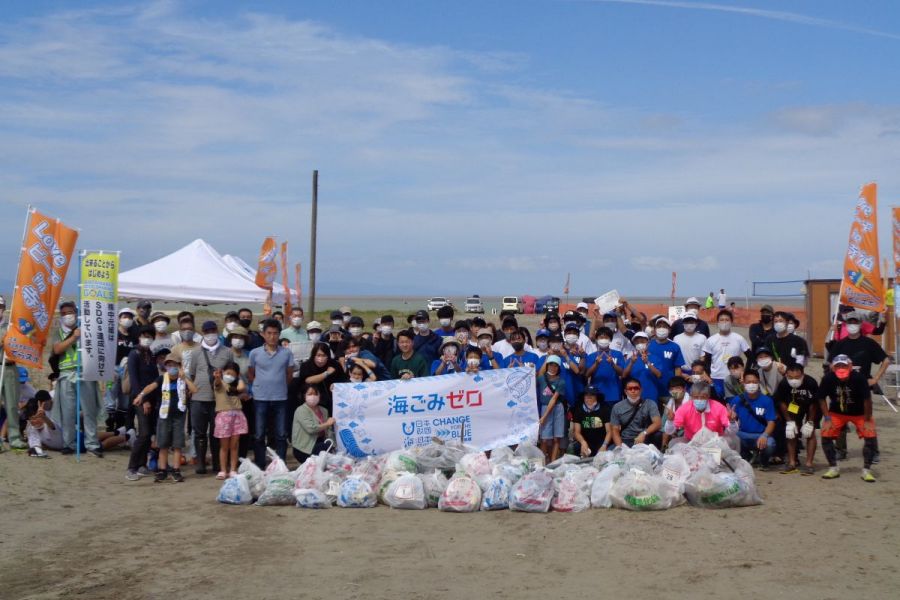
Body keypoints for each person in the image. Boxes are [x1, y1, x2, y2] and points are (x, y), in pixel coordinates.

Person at [135, 353, 196, 482]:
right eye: (168, 365)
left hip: (179, 416)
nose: (171, 367)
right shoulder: (162, 378)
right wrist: (141, 395)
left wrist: (184, 378)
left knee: (178, 444)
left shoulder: (183, 379)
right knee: (163, 444)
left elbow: (194, 389)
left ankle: (176, 470)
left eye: (174, 365)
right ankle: (162, 470)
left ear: (179, 366)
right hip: (164, 415)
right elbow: (151, 387)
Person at [51, 301, 102, 457]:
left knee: (89, 410)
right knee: (68, 412)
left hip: (85, 372)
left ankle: (92, 443)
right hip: (67, 374)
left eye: (70, 312)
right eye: (65, 313)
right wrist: (73, 337)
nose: (68, 316)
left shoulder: (85, 329)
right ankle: (68, 443)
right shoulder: (58, 332)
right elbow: (57, 349)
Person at [817, 354, 878, 482]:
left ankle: (867, 470)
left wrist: (867, 419)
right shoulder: (828, 378)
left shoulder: (859, 378)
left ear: (850, 366)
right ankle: (833, 467)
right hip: (837, 412)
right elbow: (821, 398)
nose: (841, 368)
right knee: (825, 435)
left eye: (843, 365)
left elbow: (867, 400)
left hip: (860, 413)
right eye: (837, 365)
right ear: (833, 367)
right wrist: (827, 418)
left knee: (870, 436)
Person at [185, 320, 232, 474]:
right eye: (207, 331)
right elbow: (191, 374)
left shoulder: (227, 352)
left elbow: (231, 373)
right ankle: (200, 463)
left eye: (213, 330)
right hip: (199, 398)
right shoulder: (196, 352)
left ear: (217, 330)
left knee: (217, 432)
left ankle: (218, 463)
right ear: (203, 332)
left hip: (219, 400)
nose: (210, 333)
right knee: (199, 432)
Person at [248, 318, 294, 469]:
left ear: (280, 334)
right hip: (260, 398)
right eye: (269, 333)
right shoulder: (255, 353)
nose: (272, 336)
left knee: (281, 434)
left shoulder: (286, 353)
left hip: (280, 397)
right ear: (263, 334)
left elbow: (289, 375)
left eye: (275, 333)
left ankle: (280, 465)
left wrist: (280, 386)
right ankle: (260, 464)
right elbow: (251, 373)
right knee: (259, 434)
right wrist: (259, 386)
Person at [774, 362, 819, 475]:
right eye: (790, 377)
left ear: (803, 375)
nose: (794, 380)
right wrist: (789, 421)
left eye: (797, 377)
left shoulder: (811, 382)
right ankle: (792, 463)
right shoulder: (784, 384)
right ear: (786, 375)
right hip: (793, 408)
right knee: (791, 432)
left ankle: (809, 464)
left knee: (810, 433)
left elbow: (814, 403)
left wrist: (810, 422)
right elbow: (781, 402)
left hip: (810, 407)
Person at [728, 370, 776, 469]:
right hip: (742, 434)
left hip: (760, 435)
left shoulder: (767, 400)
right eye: (748, 382)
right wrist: (731, 419)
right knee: (729, 438)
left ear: (759, 383)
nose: (751, 384)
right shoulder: (737, 400)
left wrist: (765, 435)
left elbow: (771, 422)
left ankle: (763, 460)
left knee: (770, 444)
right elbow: (730, 421)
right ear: (743, 383)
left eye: (754, 382)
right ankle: (747, 456)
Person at [702, 310, 751, 398]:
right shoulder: (711, 340)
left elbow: (750, 357)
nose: (724, 322)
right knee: (718, 404)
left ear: (731, 322)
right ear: (718, 322)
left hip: (734, 378)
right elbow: (707, 361)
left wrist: (744, 372)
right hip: (716, 378)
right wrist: (708, 377)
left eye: (727, 320)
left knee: (735, 403)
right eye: (722, 320)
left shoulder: (739, 338)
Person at [213, 361, 248, 479]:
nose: (230, 376)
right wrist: (218, 377)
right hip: (223, 417)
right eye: (227, 373)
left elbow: (242, 387)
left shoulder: (237, 385)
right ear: (223, 372)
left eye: (233, 374)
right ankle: (223, 470)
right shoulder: (220, 383)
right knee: (224, 446)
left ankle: (233, 469)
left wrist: (239, 378)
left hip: (237, 415)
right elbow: (217, 383)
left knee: (234, 446)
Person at [0, 295, 26, 451]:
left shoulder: (11, 327)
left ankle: (14, 437)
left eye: (0, 307)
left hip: (10, 367)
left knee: (12, 404)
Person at [610, 378, 662, 448]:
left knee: (658, 435)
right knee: (610, 453)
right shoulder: (617, 407)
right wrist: (620, 447)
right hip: (625, 440)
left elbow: (657, 423)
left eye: (636, 388)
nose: (633, 391)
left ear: (641, 390)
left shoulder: (650, 403)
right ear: (625, 391)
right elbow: (615, 430)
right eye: (630, 389)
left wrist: (644, 433)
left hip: (644, 438)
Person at [292, 386, 335, 464]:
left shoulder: (324, 410)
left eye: (315, 394)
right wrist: (327, 424)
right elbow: (311, 429)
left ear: (319, 396)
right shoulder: (301, 410)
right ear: (304, 396)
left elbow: (328, 431)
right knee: (325, 448)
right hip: (305, 448)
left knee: (331, 446)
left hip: (320, 442)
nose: (313, 396)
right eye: (310, 394)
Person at [646, 317, 686, 402]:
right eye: (659, 326)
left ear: (669, 330)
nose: (661, 329)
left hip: (668, 390)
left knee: (669, 414)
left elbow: (677, 368)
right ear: (654, 330)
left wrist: (677, 387)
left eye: (664, 327)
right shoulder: (648, 345)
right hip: (651, 389)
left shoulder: (675, 347)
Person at [298, 342, 345, 412]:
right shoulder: (306, 365)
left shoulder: (335, 364)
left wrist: (337, 385)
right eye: (318, 355)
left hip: (333, 401)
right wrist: (326, 373)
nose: (321, 358)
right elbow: (308, 380)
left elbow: (343, 380)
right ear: (313, 355)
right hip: (314, 401)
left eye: (324, 355)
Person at [536, 355, 566, 462]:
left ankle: (553, 462)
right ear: (547, 366)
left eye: (555, 366)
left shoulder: (561, 381)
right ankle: (542, 462)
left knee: (556, 437)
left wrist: (544, 417)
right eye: (550, 365)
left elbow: (554, 399)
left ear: (558, 368)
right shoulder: (541, 378)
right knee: (544, 439)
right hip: (545, 407)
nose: (553, 368)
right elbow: (536, 375)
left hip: (557, 408)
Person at [585, 327, 625, 406]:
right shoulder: (591, 356)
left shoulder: (618, 354)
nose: (603, 340)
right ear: (596, 339)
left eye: (606, 337)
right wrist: (596, 364)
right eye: (601, 337)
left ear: (610, 340)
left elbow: (622, 373)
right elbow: (587, 374)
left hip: (614, 394)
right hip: (596, 393)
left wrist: (613, 364)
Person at [622, 332, 663, 403]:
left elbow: (659, 375)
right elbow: (624, 375)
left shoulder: (655, 358)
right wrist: (631, 363)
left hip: (652, 395)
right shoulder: (631, 359)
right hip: (634, 396)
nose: (640, 344)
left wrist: (647, 362)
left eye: (642, 341)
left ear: (648, 342)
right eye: (637, 342)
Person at [571, 386, 612, 457]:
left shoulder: (605, 409)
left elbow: (609, 431)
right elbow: (576, 432)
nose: (589, 396)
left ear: (597, 397)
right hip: (586, 442)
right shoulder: (578, 410)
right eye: (586, 394)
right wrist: (583, 442)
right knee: (577, 447)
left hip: (602, 442)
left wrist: (604, 445)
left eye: (592, 394)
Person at [23, 393, 61, 458]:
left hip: (73, 442)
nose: (34, 422)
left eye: (37, 418)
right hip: (53, 447)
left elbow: (52, 426)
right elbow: (34, 443)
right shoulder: (31, 427)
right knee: (30, 428)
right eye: (32, 419)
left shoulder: (48, 423)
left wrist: (43, 417)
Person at [661, 376, 688, 448]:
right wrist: (663, 447)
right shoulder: (669, 405)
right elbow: (664, 427)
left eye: (677, 388)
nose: (674, 391)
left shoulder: (691, 403)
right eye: (672, 389)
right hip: (672, 434)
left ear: (684, 389)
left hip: (687, 436)